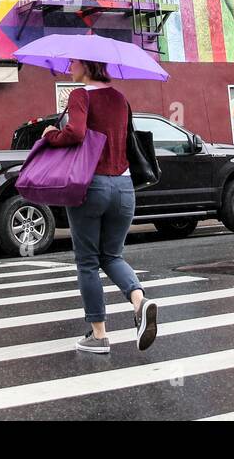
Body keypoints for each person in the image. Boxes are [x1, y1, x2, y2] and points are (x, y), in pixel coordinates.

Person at [41, 59, 157, 355]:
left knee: (88, 262)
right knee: (112, 255)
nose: (69, 67)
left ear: (87, 65)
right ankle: (139, 301)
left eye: (73, 62)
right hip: (124, 188)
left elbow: (77, 133)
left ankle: (99, 335)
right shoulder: (120, 98)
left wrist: (50, 135)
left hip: (91, 185)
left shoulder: (81, 95)